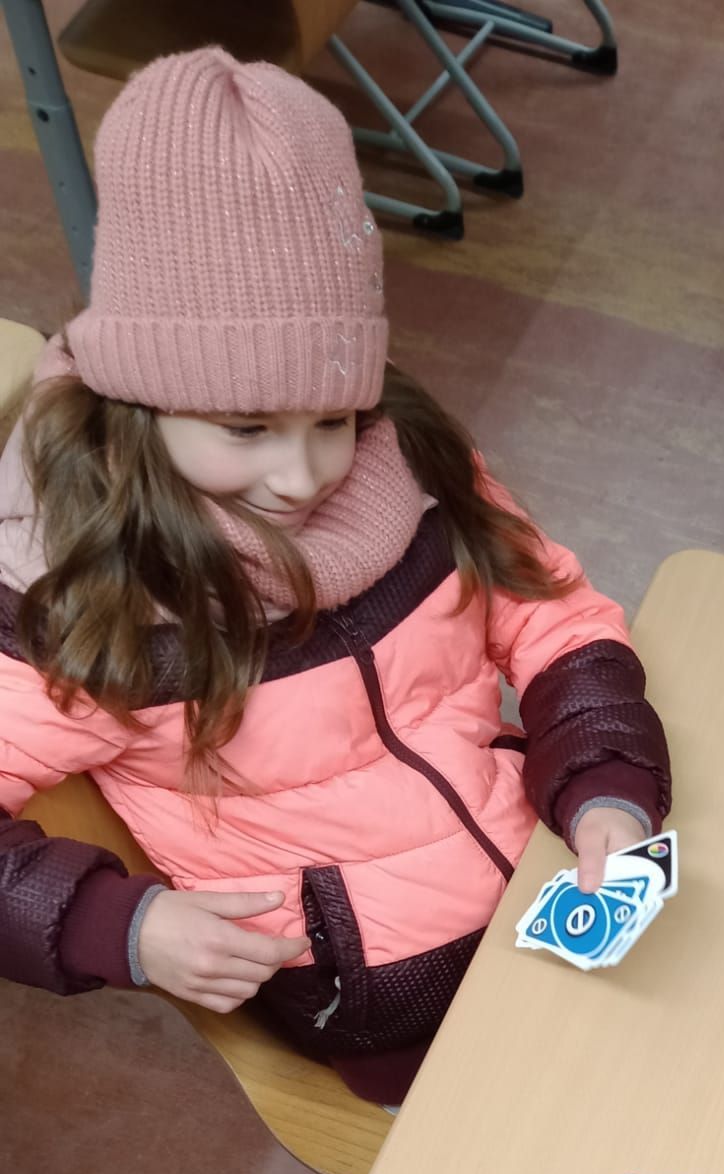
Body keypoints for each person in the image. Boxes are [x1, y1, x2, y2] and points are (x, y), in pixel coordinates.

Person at [0, 48, 669, 1107]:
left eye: (334, 419)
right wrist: (122, 926)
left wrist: (607, 788)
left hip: (545, 886)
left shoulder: (411, 460)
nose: (304, 474)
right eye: (246, 428)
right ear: (139, 397)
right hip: (384, 1008)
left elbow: (551, 614)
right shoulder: (86, 587)